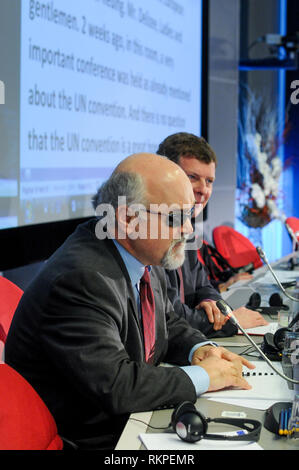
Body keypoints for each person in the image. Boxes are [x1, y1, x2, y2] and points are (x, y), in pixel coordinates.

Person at [5, 153, 254, 450]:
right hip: (98, 440)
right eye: (176, 218)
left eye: (190, 217)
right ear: (128, 218)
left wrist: (197, 350)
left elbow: (167, 321)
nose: (188, 230)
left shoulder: (143, 255)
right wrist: (203, 377)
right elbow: (117, 385)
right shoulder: (80, 279)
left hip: (133, 420)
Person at [157, 133, 268, 335]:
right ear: (166, 176)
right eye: (192, 177)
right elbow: (168, 316)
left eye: (209, 181)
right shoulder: (152, 234)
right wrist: (230, 321)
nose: (204, 190)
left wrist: (210, 302)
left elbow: (203, 285)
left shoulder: (186, 227)